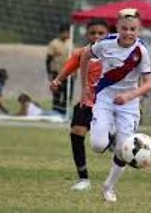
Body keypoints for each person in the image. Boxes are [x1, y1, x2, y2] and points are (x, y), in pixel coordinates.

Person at [80, 8, 151, 202]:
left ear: (139, 30)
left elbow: (148, 84)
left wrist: (130, 95)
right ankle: (110, 133)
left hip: (128, 103)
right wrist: (84, 88)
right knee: (97, 146)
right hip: (105, 97)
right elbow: (84, 56)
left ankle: (108, 188)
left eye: (133, 29)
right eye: (125, 28)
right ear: (117, 28)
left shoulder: (141, 50)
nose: (129, 33)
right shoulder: (104, 44)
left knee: (123, 150)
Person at [50, 18, 109, 191]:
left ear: (108, 35)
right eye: (93, 33)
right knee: (76, 132)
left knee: (104, 143)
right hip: (87, 102)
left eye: (101, 33)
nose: (96, 36)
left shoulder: (115, 53)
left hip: (108, 106)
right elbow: (70, 66)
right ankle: (83, 179)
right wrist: (57, 80)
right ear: (86, 34)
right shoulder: (82, 53)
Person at [46, 23, 72, 114]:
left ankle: (64, 112)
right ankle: (55, 112)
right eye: (64, 32)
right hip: (57, 73)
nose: (66, 34)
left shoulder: (71, 43)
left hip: (69, 74)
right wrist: (49, 73)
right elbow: (48, 59)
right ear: (61, 33)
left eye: (68, 32)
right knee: (57, 94)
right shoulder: (54, 43)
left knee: (67, 95)